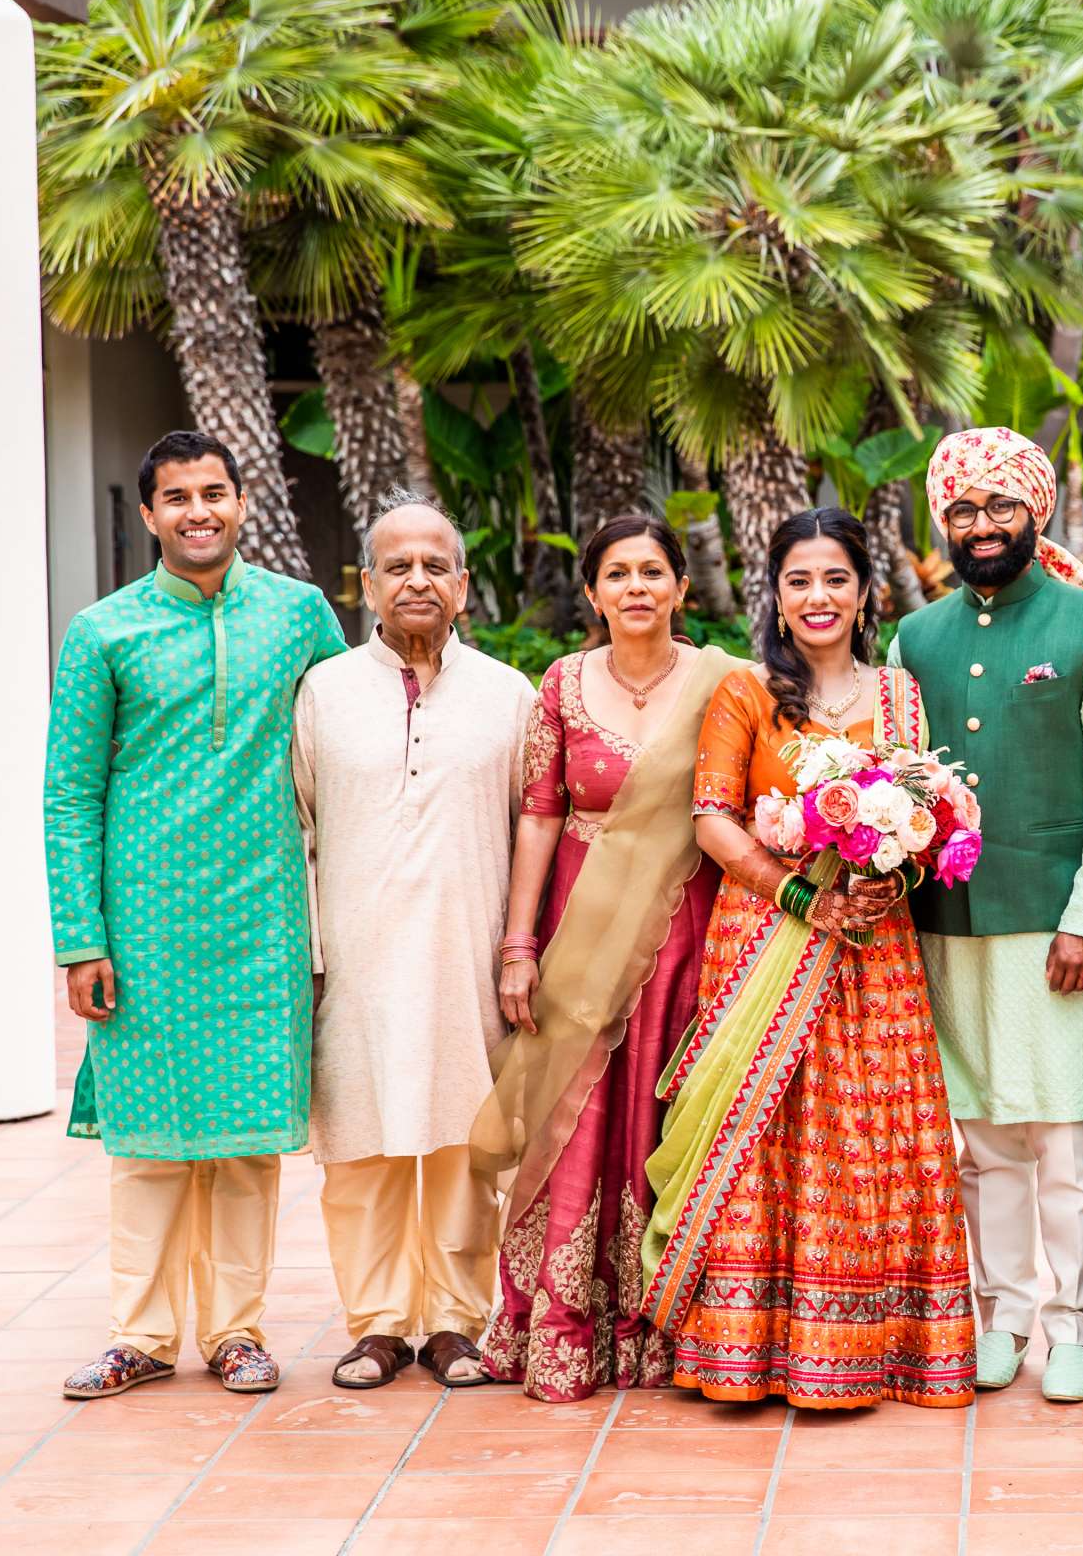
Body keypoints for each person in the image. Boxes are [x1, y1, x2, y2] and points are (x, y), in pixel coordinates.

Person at [639, 507, 975, 1410]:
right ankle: (745, 1351)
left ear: (866, 592)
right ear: (776, 597)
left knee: (870, 1139)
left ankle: (879, 1348)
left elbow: (922, 819)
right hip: (769, 941)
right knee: (765, 1139)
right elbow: (711, 816)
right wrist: (803, 896)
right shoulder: (747, 692)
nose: (818, 597)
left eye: (836, 578)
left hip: (875, 954)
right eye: (799, 580)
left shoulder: (901, 696)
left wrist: (881, 883)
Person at [46, 429, 347, 1400]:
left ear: (242, 500)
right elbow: (69, 793)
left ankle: (235, 1333)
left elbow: (348, 738)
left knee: (248, 1143)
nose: (197, 511)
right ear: (147, 515)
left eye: (213, 492)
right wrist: (79, 938)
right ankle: (139, 1334)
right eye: (176, 497)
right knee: (148, 1144)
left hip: (263, 921)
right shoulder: (103, 632)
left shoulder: (299, 616)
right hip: (142, 930)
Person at [888, 425, 1083, 1403]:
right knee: (984, 1137)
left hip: (1057, 924)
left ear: (1037, 513)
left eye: (1000, 506)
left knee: (1071, 1130)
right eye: (962, 508)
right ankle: (1003, 1318)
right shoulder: (918, 637)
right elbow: (903, 779)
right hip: (949, 922)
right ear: (941, 522)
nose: (981, 524)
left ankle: (1075, 1331)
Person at [472, 514, 740, 1401]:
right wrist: (520, 947)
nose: (636, 587)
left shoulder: (723, 683)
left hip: (683, 935)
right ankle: (562, 1326)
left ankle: (656, 1328)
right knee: (572, 1116)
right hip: (578, 935)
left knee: (665, 1115)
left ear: (680, 589)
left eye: (652, 571)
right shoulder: (561, 682)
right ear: (591, 593)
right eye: (617, 573)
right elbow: (541, 811)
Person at [290, 493, 531, 1390]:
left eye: (436, 565)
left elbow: (531, 831)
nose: (418, 580)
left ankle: (456, 1324)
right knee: (361, 1147)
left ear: (463, 586)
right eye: (399, 566)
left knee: (465, 1148)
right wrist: (309, 955)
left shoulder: (508, 696)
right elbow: (300, 830)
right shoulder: (323, 694)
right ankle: (381, 1325)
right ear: (367, 585)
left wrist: (519, 950)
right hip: (354, 960)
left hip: (466, 956)